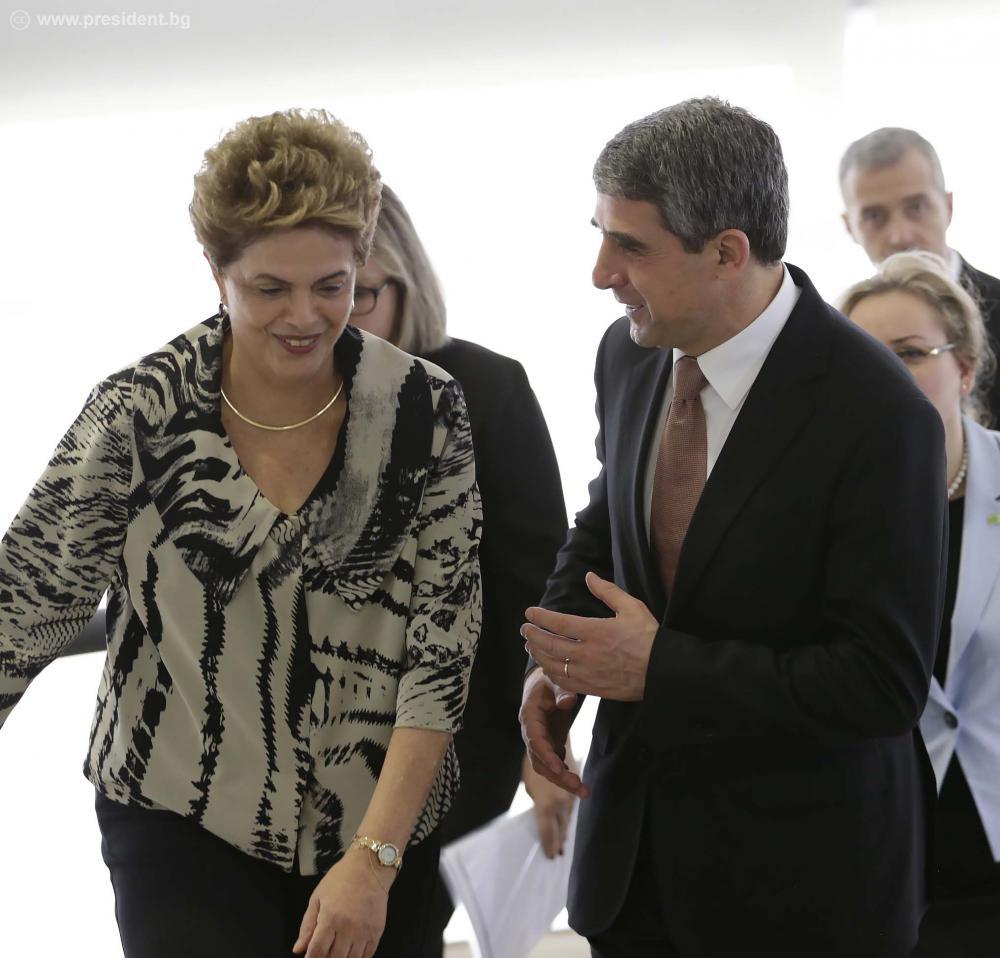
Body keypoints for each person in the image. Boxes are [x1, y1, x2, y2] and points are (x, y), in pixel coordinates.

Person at [0, 108, 482, 958]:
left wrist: (373, 861)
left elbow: (441, 652)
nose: (305, 316)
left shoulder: (425, 410)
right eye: (269, 288)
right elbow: (23, 609)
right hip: (179, 815)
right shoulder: (139, 413)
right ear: (216, 272)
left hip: (380, 819)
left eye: (331, 285)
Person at [518, 97, 947, 958]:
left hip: (801, 898)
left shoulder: (879, 412)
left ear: (727, 253)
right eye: (601, 236)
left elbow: (881, 683)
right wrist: (555, 661)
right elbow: (608, 522)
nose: (602, 273)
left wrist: (658, 668)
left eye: (630, 246)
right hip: (632, 877)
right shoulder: (628, 351)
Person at [347, 185, 571, 956]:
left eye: (356, 293)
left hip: (451, 751)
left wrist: (545, 748)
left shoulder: (484, 388)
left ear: (404, 283)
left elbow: (537, 589)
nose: (327, 319)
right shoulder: (255, 395)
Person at [841, 250, 1000, 957]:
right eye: (865, 358)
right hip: (882, 858)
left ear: (965, 368)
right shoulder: (824, 506)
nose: (885, 375)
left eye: (909, 353)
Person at [840, 126, 1000, 423]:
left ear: (948, 207)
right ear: (850, 226)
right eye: (874, 216)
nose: (900, 235)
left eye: (916, 207)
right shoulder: (840, 333)